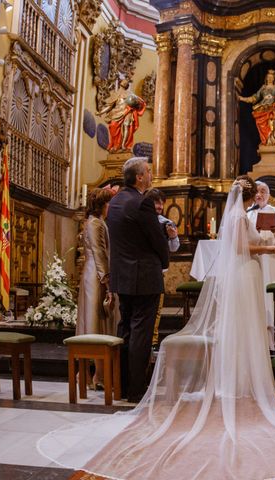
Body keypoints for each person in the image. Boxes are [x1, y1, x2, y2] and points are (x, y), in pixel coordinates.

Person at [37, 176, 275, 479]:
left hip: (248, 273)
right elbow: (239, 246)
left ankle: (244, 376)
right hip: (246, 274)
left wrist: (266, 236)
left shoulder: (242, 216)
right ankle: (239, 378)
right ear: (250, 197)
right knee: (244, 327)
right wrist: (270, 250)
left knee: (250, 328)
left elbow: (246, 241)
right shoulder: (237, 216)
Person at [106, 157, 170, 402]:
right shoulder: (142, 203)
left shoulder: (116, 202)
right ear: (139, 177)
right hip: (144, 276)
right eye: (149, 172)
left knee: (126, 331)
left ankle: (122, 385)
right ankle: (136, 390)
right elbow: (157, 240)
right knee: (141, 333)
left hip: (123, 276)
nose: (151, 175)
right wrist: (164, 261)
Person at [76, 187, 117, 390]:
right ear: (102, 205)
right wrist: (107, 281)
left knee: (97, 324)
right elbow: (100, 253)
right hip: (96, 277)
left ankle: (90, 374)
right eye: (109, 203)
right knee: (95, 324)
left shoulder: (98, 222)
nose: (111, 207)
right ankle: (95, 375)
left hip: (95, 275)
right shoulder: (95, 223)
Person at [246, 181, 275, 350]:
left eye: (263, 191)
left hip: (273, 262)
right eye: (257, 191)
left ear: (269, 195)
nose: (259, 194)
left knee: (273, 299)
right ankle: (258, 344)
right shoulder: (247, 213)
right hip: (255, 261)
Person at [144, 188, 180, 349]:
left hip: (159, 271)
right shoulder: (141, 220)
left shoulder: (166, 222)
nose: (159, 207)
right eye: (156, 204)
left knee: (157, 308)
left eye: (161, 205)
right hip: (144, 267)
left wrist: (173, 237)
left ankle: (153, 341)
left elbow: (174, 248)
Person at [238, 69, 275, 146]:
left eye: (271, 77)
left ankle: (274, 142)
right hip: (262, 109)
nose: (270, 79)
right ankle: (266, 142)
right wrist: (243, 99)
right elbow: (255, 98)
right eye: (268, 77)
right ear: (266, 78)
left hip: (272, 109)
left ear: (274, 79)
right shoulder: (263, 88)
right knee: (262, 125)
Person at [97, 78, 146, 152]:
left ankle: (124, 145)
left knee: (127, 127)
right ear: (120, 83)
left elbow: (140, 101)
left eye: (126, 82)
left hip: (127, 112)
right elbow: (109, 106)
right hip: (116, 113)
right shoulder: (116, 94)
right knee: (113, 126)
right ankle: (116, 144)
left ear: (127, 86)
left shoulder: (130, 93)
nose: (125, 82)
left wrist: (137, 104)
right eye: (124, 81)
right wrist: (100, 112)